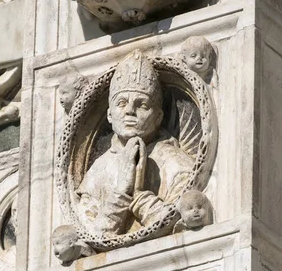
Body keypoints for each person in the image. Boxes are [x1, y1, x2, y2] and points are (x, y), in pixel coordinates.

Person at [76, 50, 194, 236]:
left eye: (142, 105)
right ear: (109, 115)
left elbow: (179, 223)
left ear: (158, 117)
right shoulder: (96, 171)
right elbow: (91, 233)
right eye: (121, 103)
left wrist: (139, 196)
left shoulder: (178, 165)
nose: (130, 111)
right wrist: (121, 194)